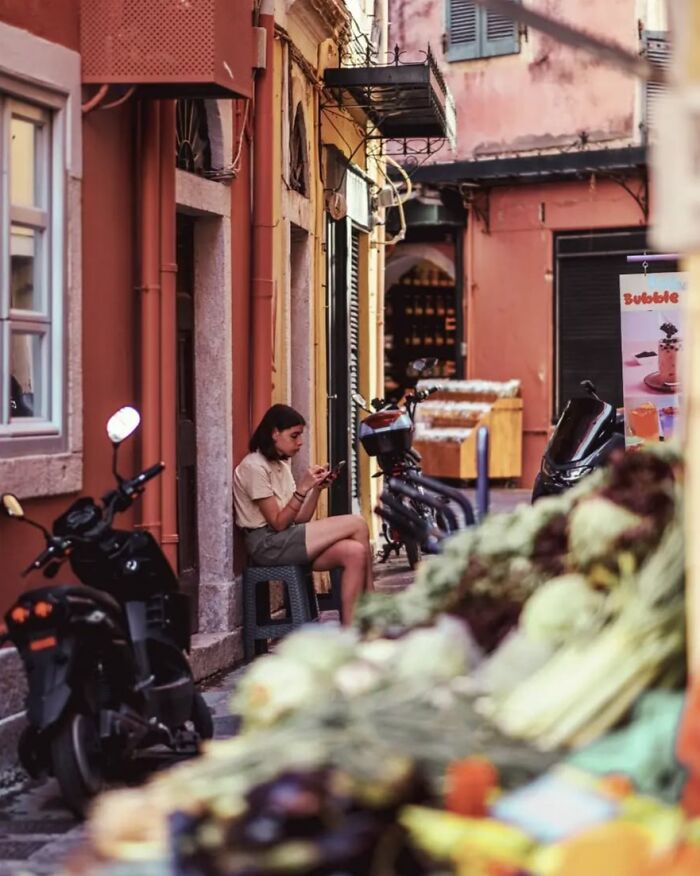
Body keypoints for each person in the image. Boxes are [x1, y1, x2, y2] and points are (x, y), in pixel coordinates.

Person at [233, 404, 373, 623]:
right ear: (274, 433)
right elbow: (278, 523)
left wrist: (316, 489)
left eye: (300, 436)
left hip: (287, 538)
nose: (300, 442)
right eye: (294, 436)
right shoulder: (254, 467)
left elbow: (299, 518)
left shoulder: (280, 465)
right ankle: (373, 606)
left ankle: (352, 630)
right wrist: (302, 488)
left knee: (354, 552)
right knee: (357, 523)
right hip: (267, 544)